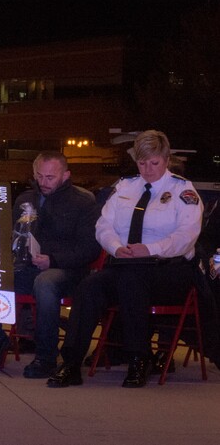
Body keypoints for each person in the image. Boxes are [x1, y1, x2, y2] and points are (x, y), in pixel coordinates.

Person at [48, 130, 203, 388]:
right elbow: (103, 226)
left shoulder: (182, 191)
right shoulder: (125, 187)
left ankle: (139, 359)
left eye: (154, 163)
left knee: (132, 281)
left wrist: (150, 248)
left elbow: (186, 237)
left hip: (168, 270)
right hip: (126, 263)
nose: (148, 169)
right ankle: (71, 363)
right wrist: (116, 247)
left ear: (166, 160)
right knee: (89, 287)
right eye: (142, 163)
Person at [0, 152, 101, 377]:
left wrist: (53, 260)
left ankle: (46, 355)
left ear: (66, 175)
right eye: (40, 176)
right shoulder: (24, 200)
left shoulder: (83, 203)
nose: (44, 182)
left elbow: (90, 248)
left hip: (67, 272)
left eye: (50, 177)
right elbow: (7, 238)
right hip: (26, 268)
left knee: (45, 282)